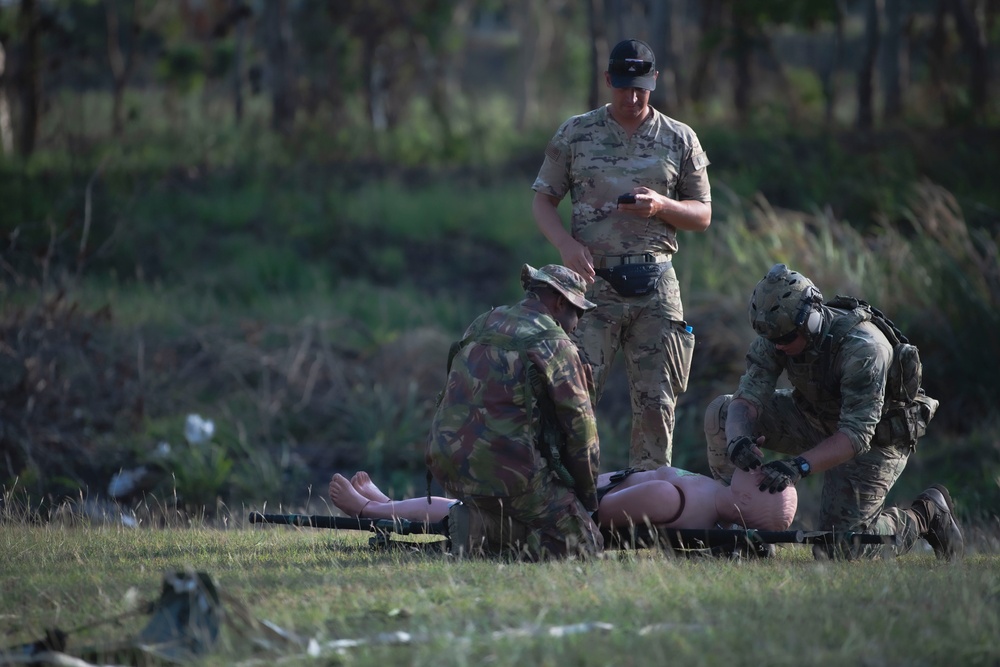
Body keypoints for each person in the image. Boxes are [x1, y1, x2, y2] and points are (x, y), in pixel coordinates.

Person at [531, 38, 712, 471]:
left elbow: (703, 214)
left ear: (654, 83)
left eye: (641, 88)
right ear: (609, 80)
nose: (632, 98)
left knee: (656, 405)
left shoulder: (679, 138)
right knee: (574, 398)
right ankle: (575, 505)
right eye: (624, 87)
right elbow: (542, 201)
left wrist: (663, 206)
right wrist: (566, 246)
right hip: (592, 288)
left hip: (656, 288)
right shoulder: (577, 132)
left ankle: (649, 510)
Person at [704, 263, 964, 560]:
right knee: (722, 414)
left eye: (786, 340)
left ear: (811, 321)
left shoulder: (864, 349)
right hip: (816, 417)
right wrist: (739, 441)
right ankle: (741, 530)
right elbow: (746, 400)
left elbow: (856, 435)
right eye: (773, 341)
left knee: (840, 550)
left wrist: (797, 467)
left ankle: (925, 516)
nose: (779, 347)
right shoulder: (778, 334)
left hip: (876, 438)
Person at [424, 263, 603, 561]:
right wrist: (585, 497)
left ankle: (480, 521)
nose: (576, 324)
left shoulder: (483, 322)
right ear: (560, 302)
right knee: (585, 547)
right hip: (510, 474)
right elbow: (582, 432)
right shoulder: (554, 343)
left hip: (449, 465)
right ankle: (487, 533)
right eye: (578, 313)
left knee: (525, 509)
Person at [329, 466, 797, 535]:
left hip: (557, 515)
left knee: (464, 509)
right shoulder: (696, 495)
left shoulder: (668, 497)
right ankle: (388, 504)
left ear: (743, 498)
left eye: (764, 479)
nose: (759, 467)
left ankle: (368, 510)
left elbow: (590, 512)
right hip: (571, 501)